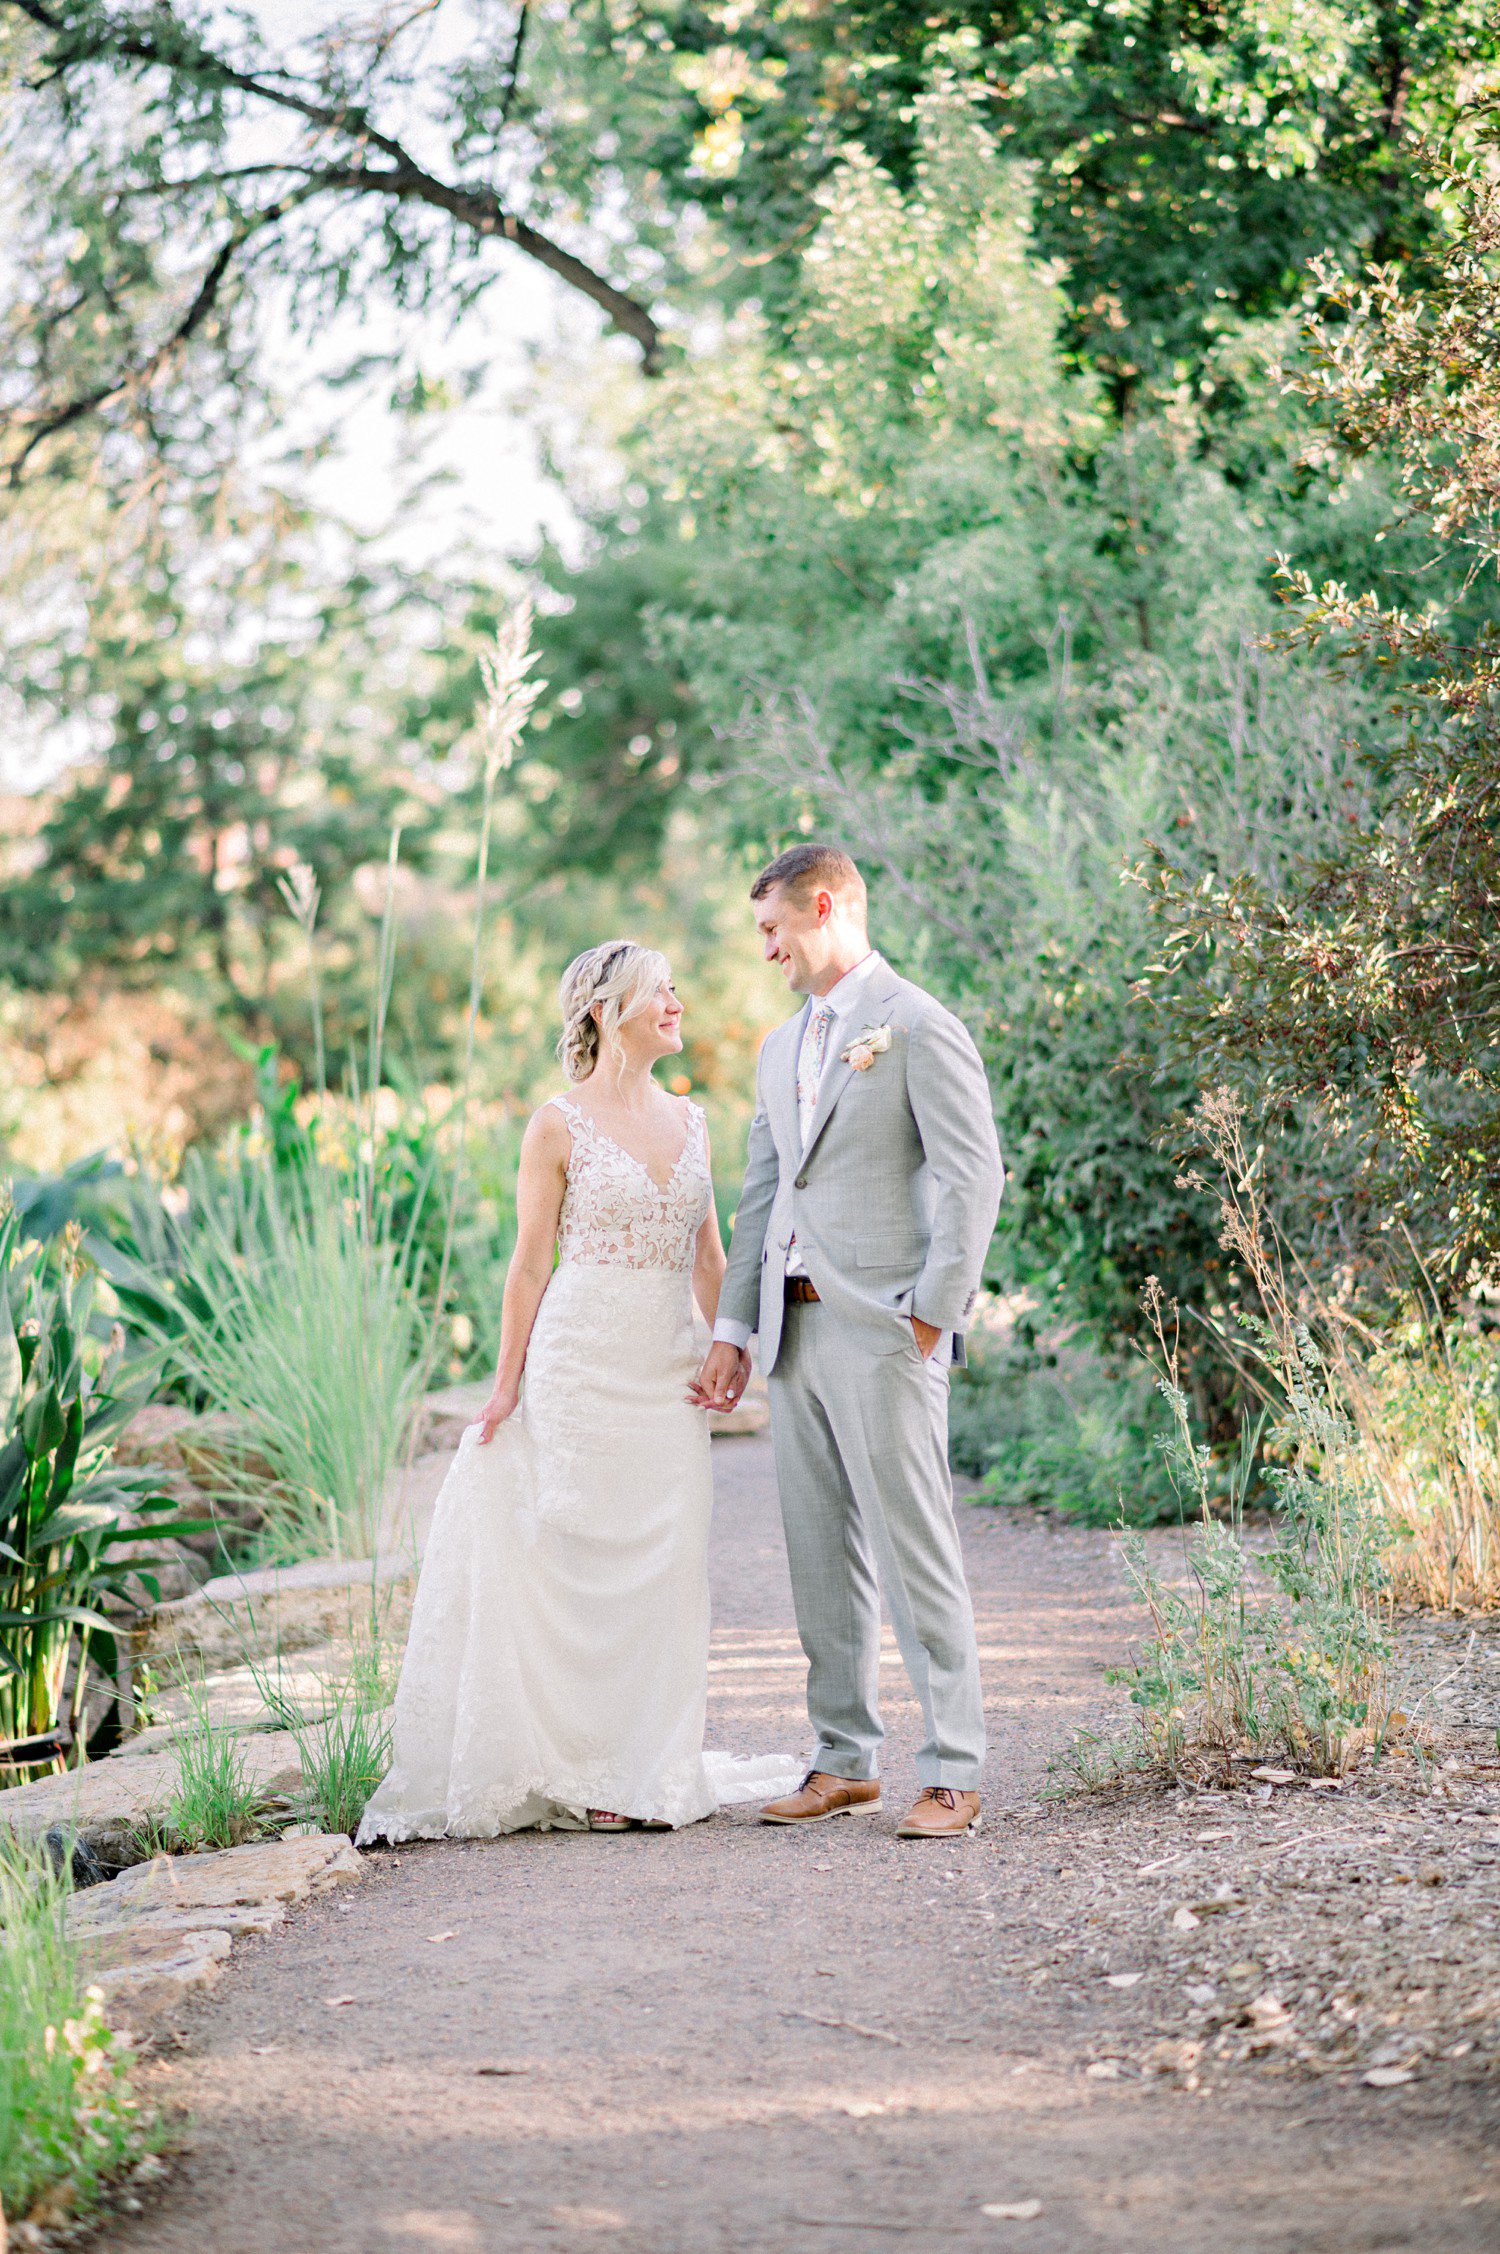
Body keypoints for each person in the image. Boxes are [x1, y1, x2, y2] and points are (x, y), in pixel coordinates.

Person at [358, 940, 798, 1842]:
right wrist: (504, 1384)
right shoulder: (555, 1124)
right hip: (578, 1368)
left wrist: (732, 1346)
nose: (677, 1001)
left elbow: (711, 1258)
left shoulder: (694, 1120)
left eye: (676, 986)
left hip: (667, 1376)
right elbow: (530, 1263)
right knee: (576, 1567)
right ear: (606, 1010)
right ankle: (578, 1765)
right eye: (659, 991)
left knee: (664, 1568)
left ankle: (651, 1764)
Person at [692, 844, 1003, 1840]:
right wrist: (735, 1329)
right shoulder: (780, 1049)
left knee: (914, 1551)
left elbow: (974, 1176)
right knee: (818, 1554)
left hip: (883, 1331)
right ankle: (842, 1759)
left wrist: (930, 1314)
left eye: (773, 930)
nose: (767, 950)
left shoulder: (915, 1024)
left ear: (823, 906)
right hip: (790, 1329)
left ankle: (953, 1768)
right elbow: (759, 1197)